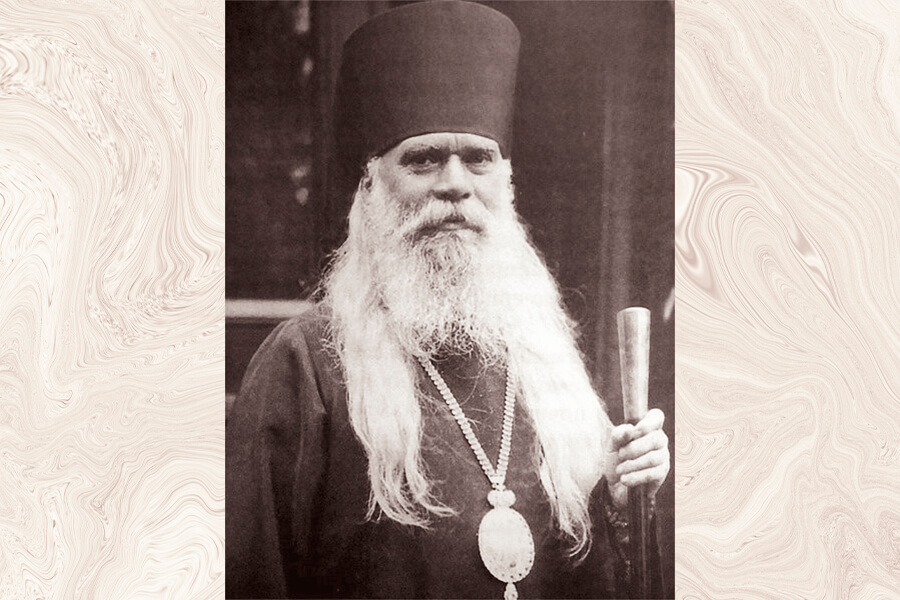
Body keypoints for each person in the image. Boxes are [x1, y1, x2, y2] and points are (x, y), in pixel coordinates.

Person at [226, 2, 670, 598]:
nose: (455, 183)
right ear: (371, 182)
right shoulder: (304, 364)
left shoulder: (546, 368)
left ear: (505, 181)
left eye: (479, 159)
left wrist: (617, 502)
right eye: (424, 159)